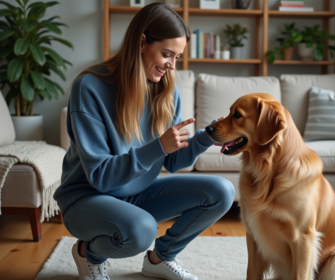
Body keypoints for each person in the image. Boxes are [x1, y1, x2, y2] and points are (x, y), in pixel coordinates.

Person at [53, 3, 235, 280]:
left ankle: (160, 258)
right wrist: (159, 146)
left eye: (177, 57)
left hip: (136, 194)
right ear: (141, 42)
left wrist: (204, 138)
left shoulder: (166, 91)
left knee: (221, 191)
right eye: (166, 54)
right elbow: (101, 176)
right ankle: (87, 253)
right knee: (140, 230)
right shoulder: (89, 86)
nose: (172, 65)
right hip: (86, 198)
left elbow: (173, 162)